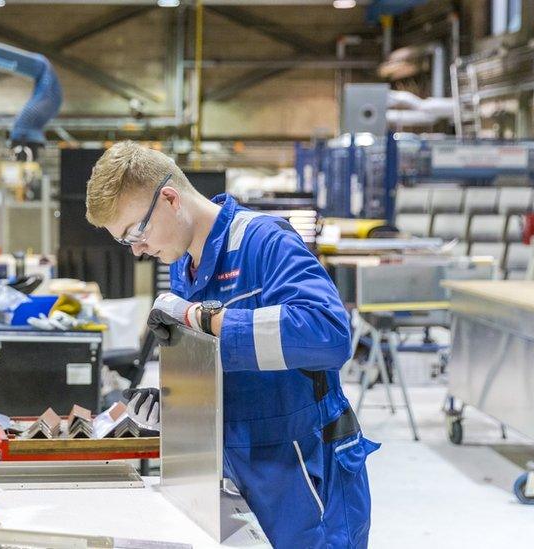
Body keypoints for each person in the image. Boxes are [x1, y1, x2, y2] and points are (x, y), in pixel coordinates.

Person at [84, 141, 379, 549]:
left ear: (169, 199)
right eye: (125, 241)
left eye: (137, 231)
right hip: (235, 469)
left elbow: (329, 332)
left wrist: (204, 318)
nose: (137, 250)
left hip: (304, 471)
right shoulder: (183, 265)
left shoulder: (264, 242)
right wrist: (178, 401)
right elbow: (225, 363)